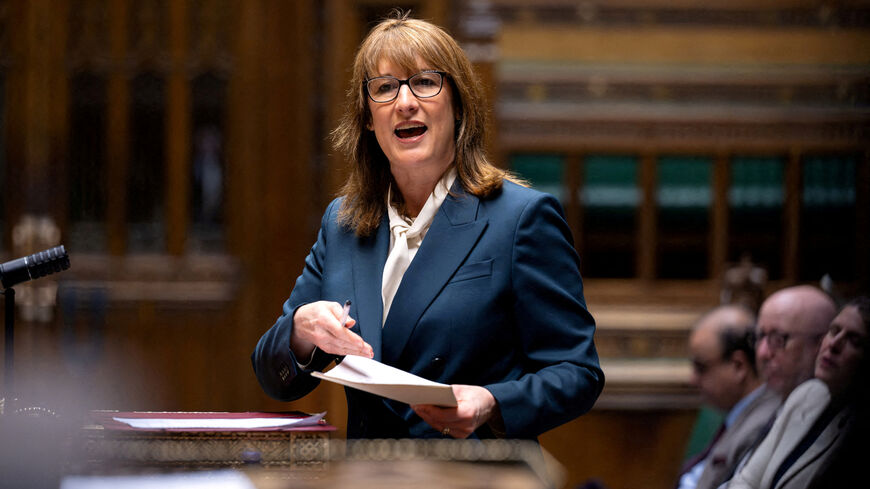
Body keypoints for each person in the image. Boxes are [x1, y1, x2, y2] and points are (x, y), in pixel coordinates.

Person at [250, 12, 603, 440]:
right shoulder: (342, 222)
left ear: (458, 105)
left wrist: (493, 401)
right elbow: (274, 376)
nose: (404, 102)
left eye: (425, 82)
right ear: (367, 118)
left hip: (471, 476)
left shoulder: (520, 218)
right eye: (384, 88)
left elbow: (577, 372)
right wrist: (300, 331)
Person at [727, 296, 869, 489]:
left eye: (854, 340)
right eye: (834, 331)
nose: (834, 344)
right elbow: (746, 480)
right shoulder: (807, 394)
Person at [677, 305, 781, 489]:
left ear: (738, 366)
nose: (692, 380)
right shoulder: (737, 413)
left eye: (701, 367)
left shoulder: (763, 425)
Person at [754, 285, 836, 400]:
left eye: (778, 340)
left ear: (820, 344)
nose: (762, 353)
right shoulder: (762, 403)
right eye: (760, 336)